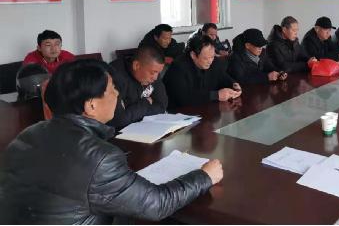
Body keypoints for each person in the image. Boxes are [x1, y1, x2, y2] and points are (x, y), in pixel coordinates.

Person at [0, 59, 223, 224]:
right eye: (111, 89)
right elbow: (156, 204)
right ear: (91, 105)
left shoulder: (26, 136)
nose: (117, 94)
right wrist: (204, 176)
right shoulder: (99, 157)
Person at [163, 35, 242, 107]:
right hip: (181, 112)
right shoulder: (178, 68)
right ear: (193, 55)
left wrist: (233, 84)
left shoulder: (214, 62)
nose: (210, 61)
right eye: (206, 58)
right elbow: (183, 97)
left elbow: (222, 77)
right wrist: (216, 95)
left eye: (212, 57)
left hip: (207, 109)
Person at [108, 45, 169, 130]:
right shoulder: (115, 76)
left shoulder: (153, 71)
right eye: (153, 72)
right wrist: (146, 103)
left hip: (146, 128)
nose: (155, 78)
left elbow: (161, 106)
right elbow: (118, 120)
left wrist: (131, 110)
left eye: (158, 73)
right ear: (136, 65)